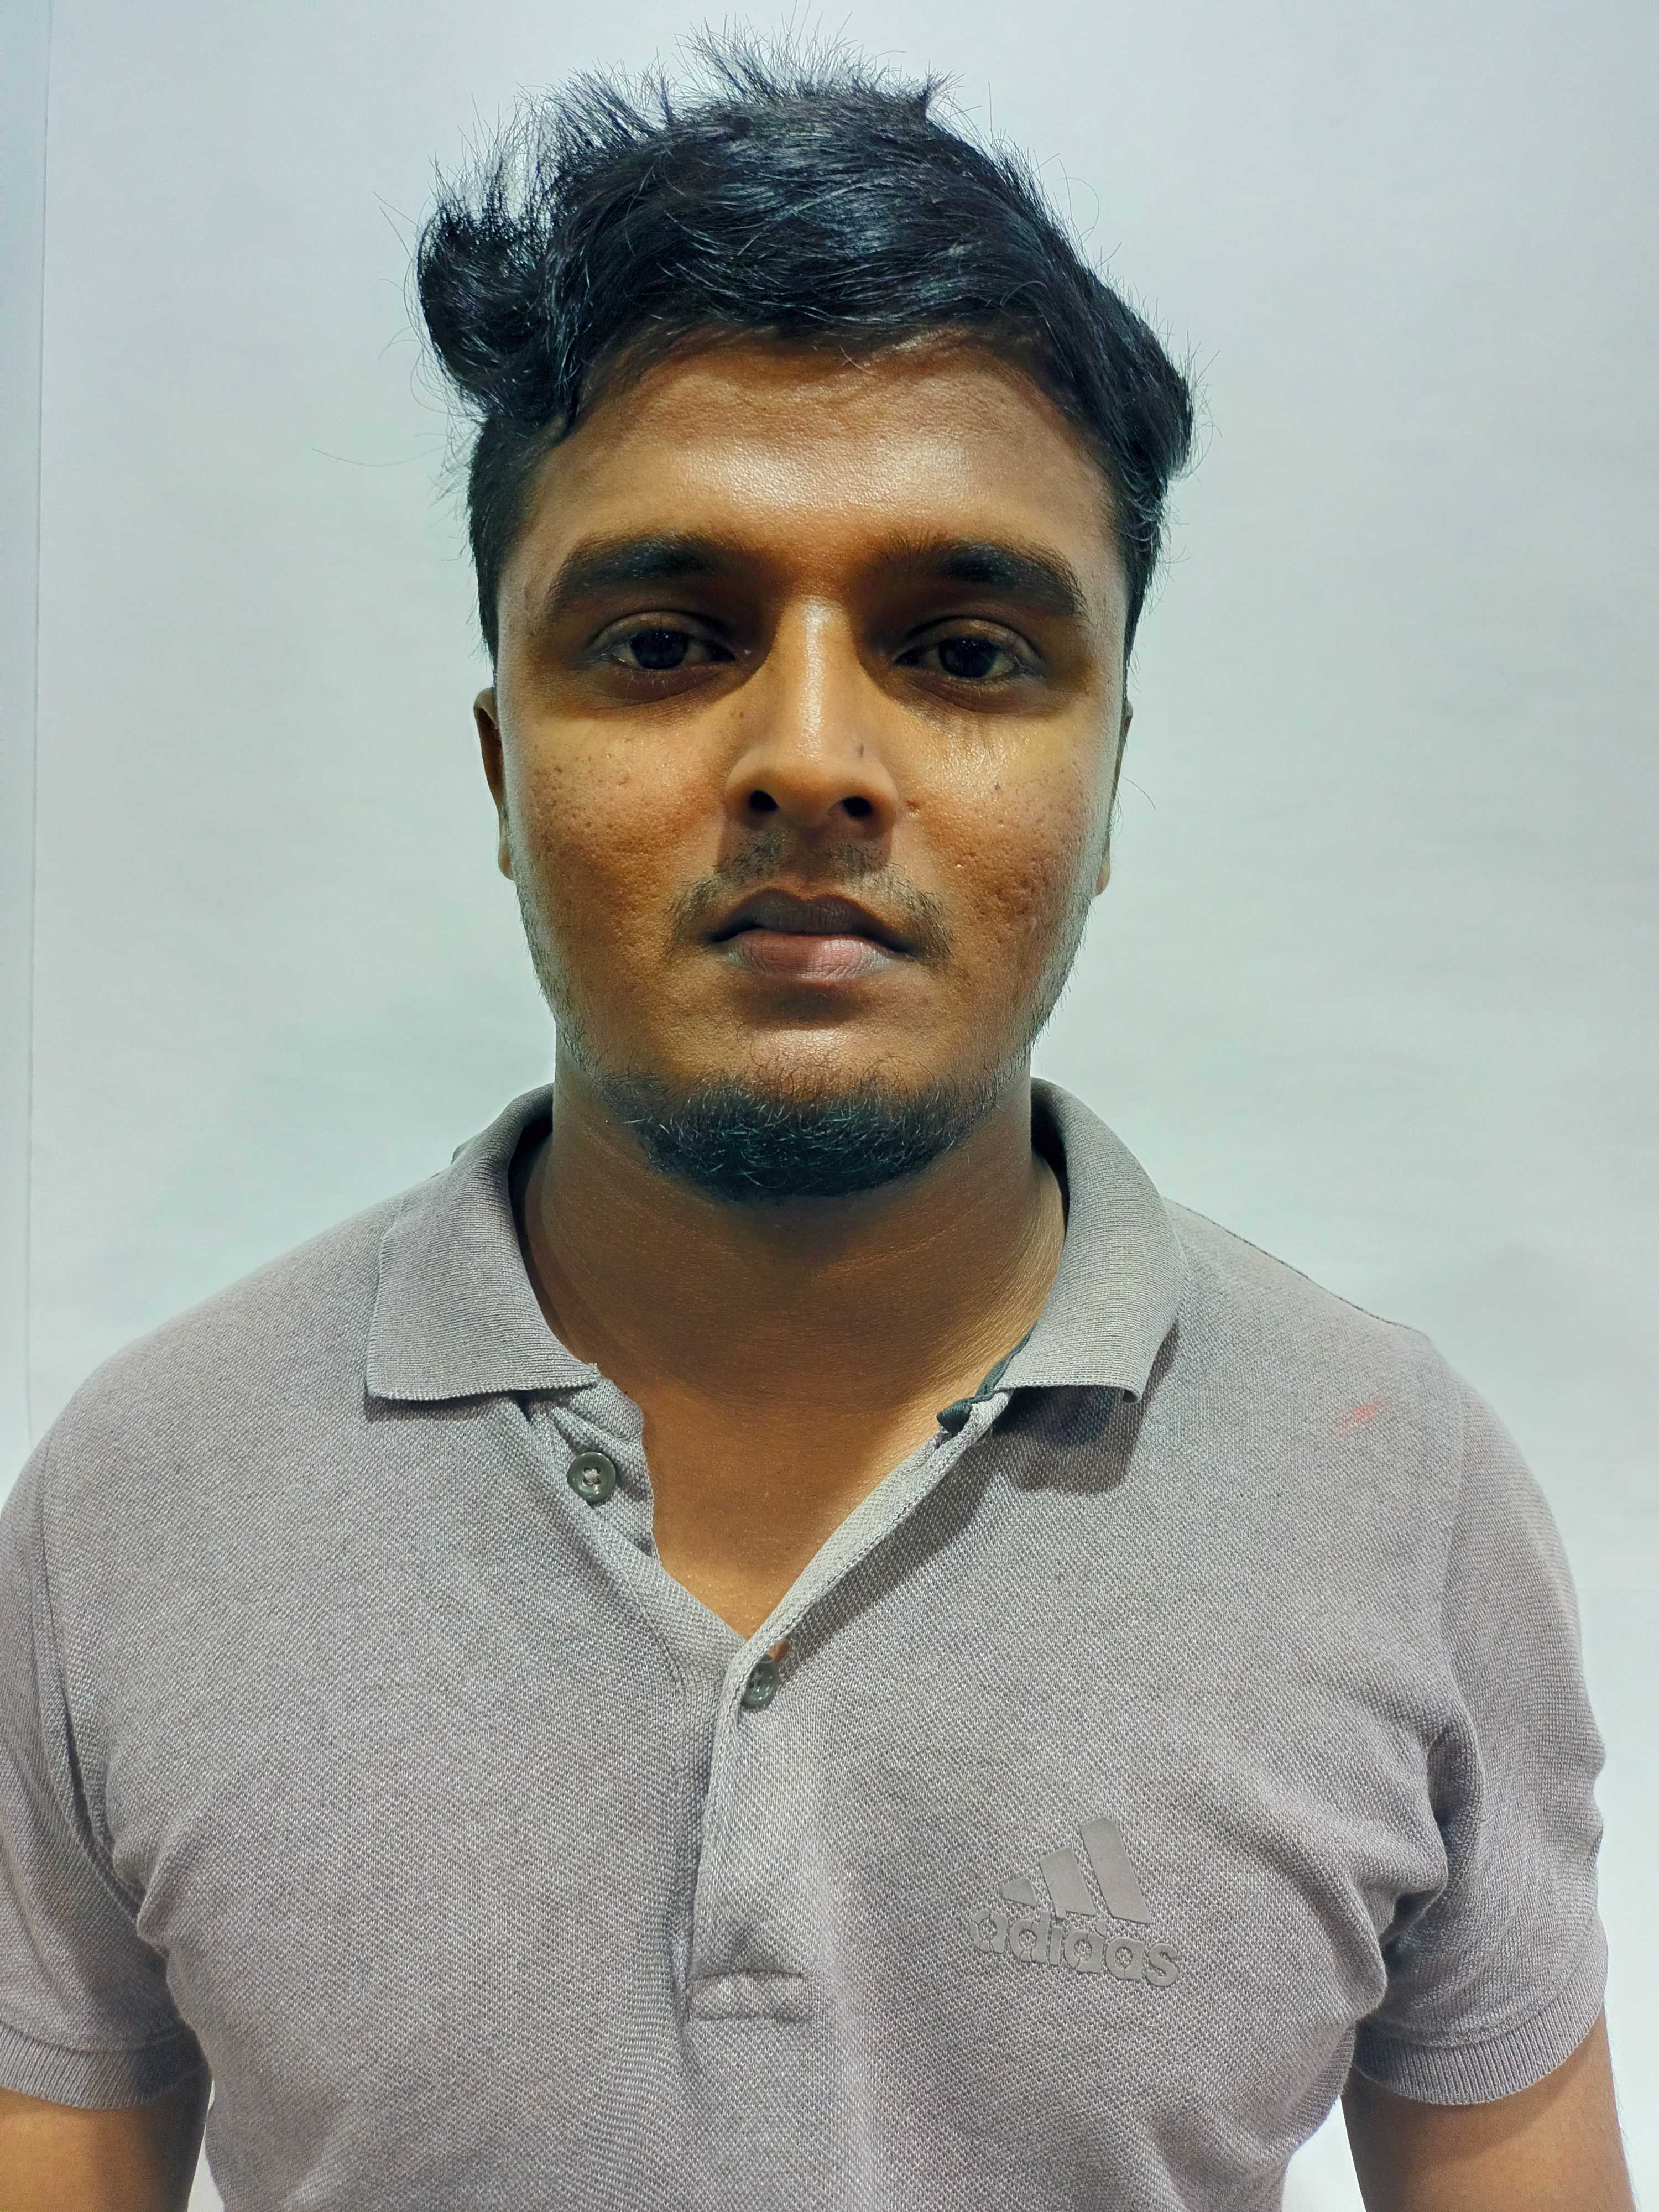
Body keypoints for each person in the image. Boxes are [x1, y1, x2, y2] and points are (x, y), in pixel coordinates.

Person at [0, 34, 1636, 2212]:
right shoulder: (139, 1509)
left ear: (1109, 776)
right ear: (502, 771)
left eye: (963, 651)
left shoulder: (1401, 1498)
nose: (810, 757)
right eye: (665, 640)